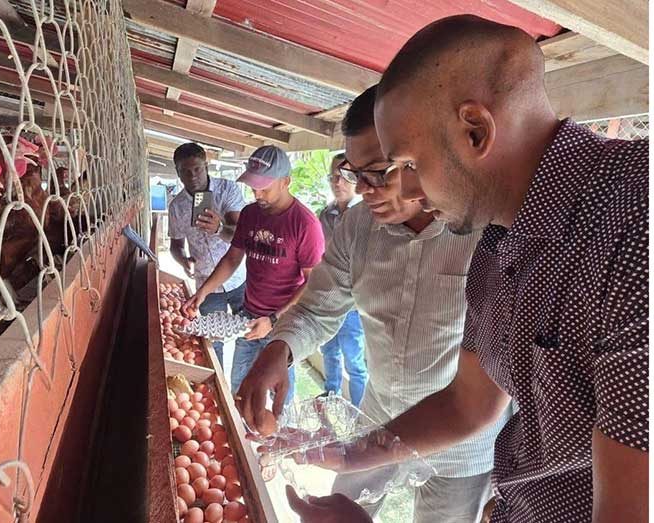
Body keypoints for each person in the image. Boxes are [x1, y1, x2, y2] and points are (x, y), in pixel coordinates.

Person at [286, 15, 649, 523]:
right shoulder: (498, 244)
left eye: (408, 164)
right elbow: (467, 403)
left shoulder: (635, 227)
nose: (408, 192)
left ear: (474, 130)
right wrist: (350, 455)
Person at [238, 86, 509, 522]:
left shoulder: (487, 236)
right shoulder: (357, 227)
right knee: (341, 508)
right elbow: (318, 307)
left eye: (378, 173)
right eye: (353, 172)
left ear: (420, 158)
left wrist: (350, 458)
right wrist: (279, 349)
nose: (363, 189)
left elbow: (475, 403)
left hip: (465, 446)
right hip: (379, 415)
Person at [183, 145, 325, 404]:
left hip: (283, 324)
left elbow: (313, 282)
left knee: (278, 394)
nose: (257, 194)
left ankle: (277, 437)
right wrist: (203, 291)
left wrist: (273, 318)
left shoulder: (304, 224)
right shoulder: (250, 214)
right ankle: (244, 438)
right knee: (240, 386)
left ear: (286, 182)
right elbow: (233, 258)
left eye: (265, 187)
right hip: (248, 316)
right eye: (253, 187)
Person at [168, 142, 246, 364]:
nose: (193, 176)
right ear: (178, 173)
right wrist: (183, 260)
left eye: (198, 169)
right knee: (213, 345)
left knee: (249, 337)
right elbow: (176, 245)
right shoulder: (177, 207)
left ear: (206, 166)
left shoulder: (227, 189)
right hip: (206, 284)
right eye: (186, 171)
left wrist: (220, 228)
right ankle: (220, 387)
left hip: (239, 278)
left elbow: (241, 235)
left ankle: (239, 389)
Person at [317, 153, 367, 406]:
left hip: (353, 304)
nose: (338, 183)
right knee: (329, 351)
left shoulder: (368, 216)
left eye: (345, 177)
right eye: (333, 177)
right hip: (327, 299)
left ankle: (359, 411)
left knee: (355, 361)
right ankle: (331, 394)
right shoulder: (324, 215)